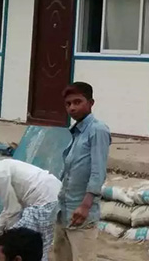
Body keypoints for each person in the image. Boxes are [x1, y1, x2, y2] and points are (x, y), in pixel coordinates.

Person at [53, 82, 110, 261]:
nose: (72, 108)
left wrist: (85, 205)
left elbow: (98, 171)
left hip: (81, 214)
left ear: (91, 103)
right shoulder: (76, 132)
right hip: (64, 211)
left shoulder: (97, 130)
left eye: (77, 102)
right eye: (68, 104)